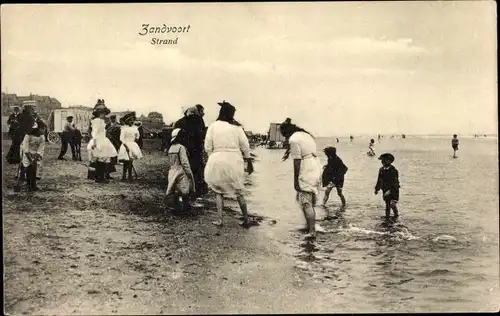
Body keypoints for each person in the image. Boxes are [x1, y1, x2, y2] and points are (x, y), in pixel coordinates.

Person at [204, 101, 254, 227]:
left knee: (218, 191)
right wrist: (249, 161)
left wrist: (212, 157)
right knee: (238, 190)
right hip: (234, 160)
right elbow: (245, 145)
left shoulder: (213, 126)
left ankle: (220, 220)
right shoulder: (237, 127)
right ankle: (246, 218)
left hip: (217, 158)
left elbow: (208, 146)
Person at [280, 118, 324, 239]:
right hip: (316, 165)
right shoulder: (305, 135)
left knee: (305, 201)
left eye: (284, 136)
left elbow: (297, 162)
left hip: (307, 167)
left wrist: (295, 180)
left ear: (287, 133)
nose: (285, 139)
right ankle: (310, 225)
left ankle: (311, 231)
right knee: (308, 199)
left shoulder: (294, 140)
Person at [174, 104, 208, 200]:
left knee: (185, 169)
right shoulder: (199, 121)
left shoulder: (179, 122)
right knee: (195, 170)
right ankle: (195, 192)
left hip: (186, 149)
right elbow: (202, 135)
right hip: (194, 149)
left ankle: (185, 191)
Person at [87, 99, 118, 183]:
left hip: (103, 140)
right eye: (102, 113)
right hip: (98, 141)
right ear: (98, 114)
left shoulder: (101, 121)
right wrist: (94, 143)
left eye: (104, 113)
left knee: (103, 159)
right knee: (100, 159)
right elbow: (94, 133)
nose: (103, 115)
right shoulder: (96, 121)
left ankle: (100, 176)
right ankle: (99, 177)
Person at [166, 128, 196, 213]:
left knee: (175, 188)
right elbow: (184, 162)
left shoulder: (171, 148)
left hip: (173, 169)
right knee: (184, 189)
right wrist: (189, 173)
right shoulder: (181, 148)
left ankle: (176, 207)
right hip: (181, 170)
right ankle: (185, 208)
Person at [14, 119, 45, 192]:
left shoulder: (42, 137)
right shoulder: (27, 136)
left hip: (36, 153)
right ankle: (19, 184)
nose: (33, 131)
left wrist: (35, 159)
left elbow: (40, 149)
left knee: (34, 168)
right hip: (27, 153)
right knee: (25, 167)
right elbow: (25, 148)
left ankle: (33, 185)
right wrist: (30, 159)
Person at [117, 112, 143, 181]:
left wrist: (136, 138)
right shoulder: (124, 128)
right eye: (130, 120)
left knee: (130, 161)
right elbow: (121, 138)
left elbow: (138, 135)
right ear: (127, 121)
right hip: (125, 145)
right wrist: (126, 146)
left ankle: (130, 176)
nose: (131, 122)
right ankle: (124, 176)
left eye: (132, 120)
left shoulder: (135, 128)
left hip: (132, 144)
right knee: (126, 162)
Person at [374, 153, 400, 222]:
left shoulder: (394, 170)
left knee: (392, 204)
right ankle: (387, 218)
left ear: (389, 161)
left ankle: (396, 215)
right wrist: (377, 189)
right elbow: (379, 180)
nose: (382, 162)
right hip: (385, 190)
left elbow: (395, 183)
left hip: (394, 190)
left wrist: (390, 191)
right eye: (382, 160)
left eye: (384, 160)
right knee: (387, 205)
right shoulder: (381, 170)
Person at [321, 147, 348, 212]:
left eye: (326, 153)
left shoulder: (338, 160)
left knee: (339, 193)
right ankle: (323, 204)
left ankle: (344, 204)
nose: (325, 154)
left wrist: (338, 176)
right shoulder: (330, 159)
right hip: (333, 180)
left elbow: (345, 168)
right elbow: (331, 165)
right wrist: (326, 166)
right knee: (327, 191)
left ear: (329, 153)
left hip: (338, 180)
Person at [105, 115, 121, 179]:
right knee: (108, 159)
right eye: (111, 119)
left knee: (113, 158)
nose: (112, 120)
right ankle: (107, 174)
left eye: (113, 119)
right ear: (110, 119)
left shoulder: (118, 126)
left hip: (115, 144)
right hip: (107, 144)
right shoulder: (107, 125)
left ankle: (108, 173)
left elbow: (119, 136)